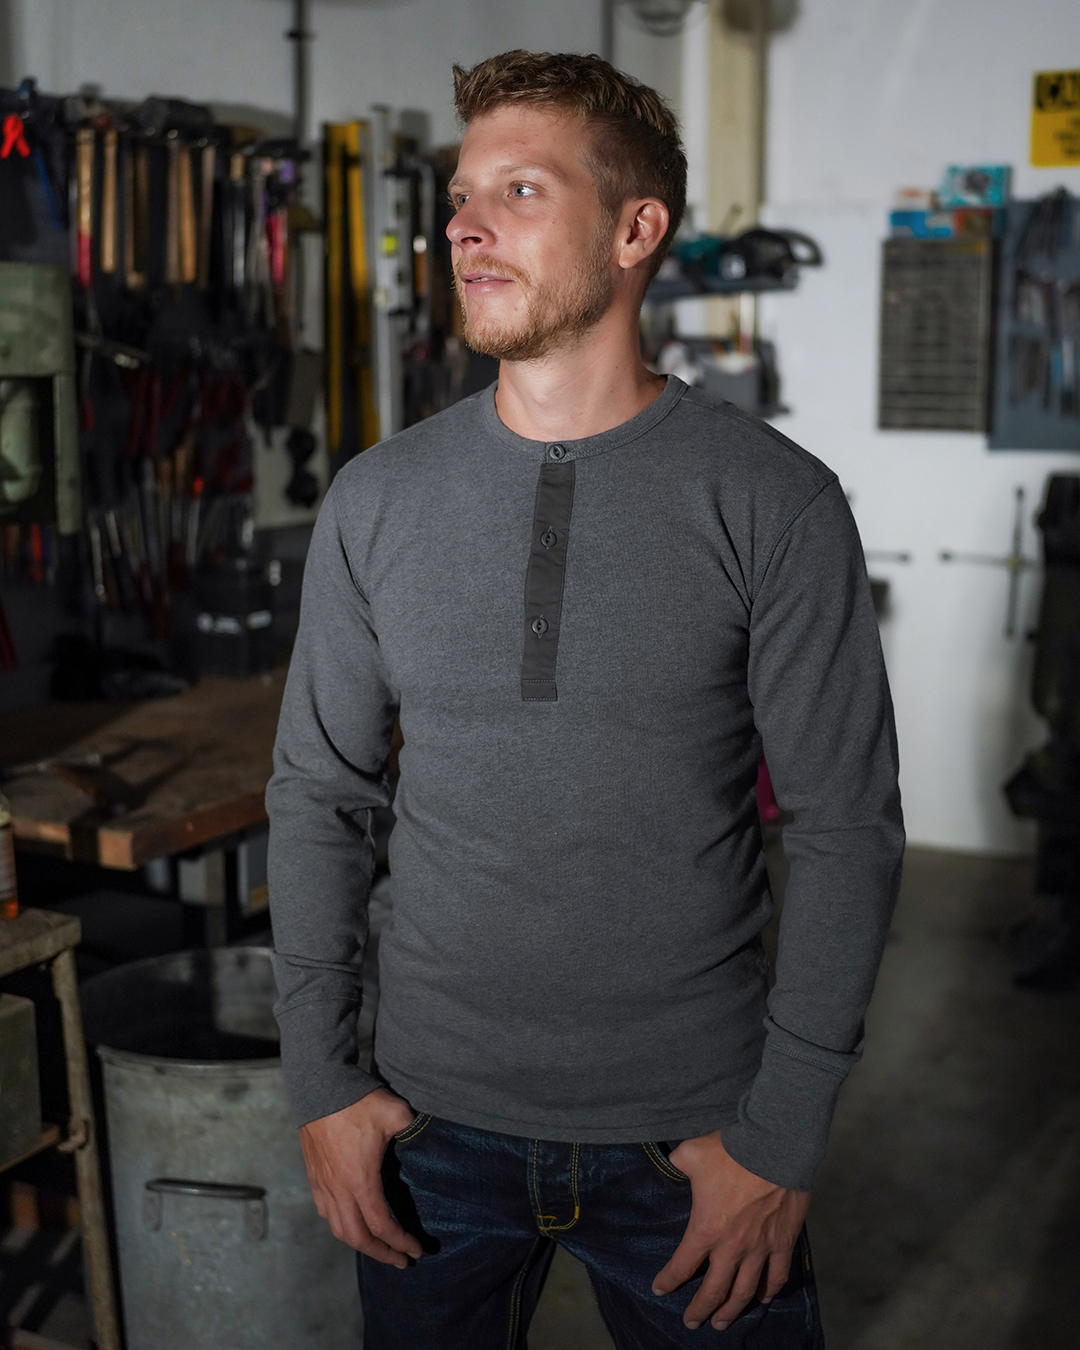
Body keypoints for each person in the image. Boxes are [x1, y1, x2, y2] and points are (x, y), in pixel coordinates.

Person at [266, 49, 904, 1349]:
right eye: (461, 195)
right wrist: (322, 1078)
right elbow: (320, 793)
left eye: (519, 190)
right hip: (429, 1127)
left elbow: (848, 827)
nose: (463, 226)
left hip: (696, 1138)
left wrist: (783, 1134)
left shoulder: (774, 502)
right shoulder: (375, 500)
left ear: (634, 229)